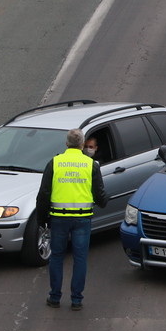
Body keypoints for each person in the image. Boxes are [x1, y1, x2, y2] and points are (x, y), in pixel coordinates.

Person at [36, 128, 106, 311]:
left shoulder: (55, 163)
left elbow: (43, 194)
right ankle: (76, 300)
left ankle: (55, 297)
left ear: (66, 144)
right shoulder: (91, 164)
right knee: (80, 258)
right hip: (82, 219)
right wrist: (104, 201)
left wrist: (42, 220)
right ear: (82, 145)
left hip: (59, 218)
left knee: (57, 257)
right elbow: (99, 195)